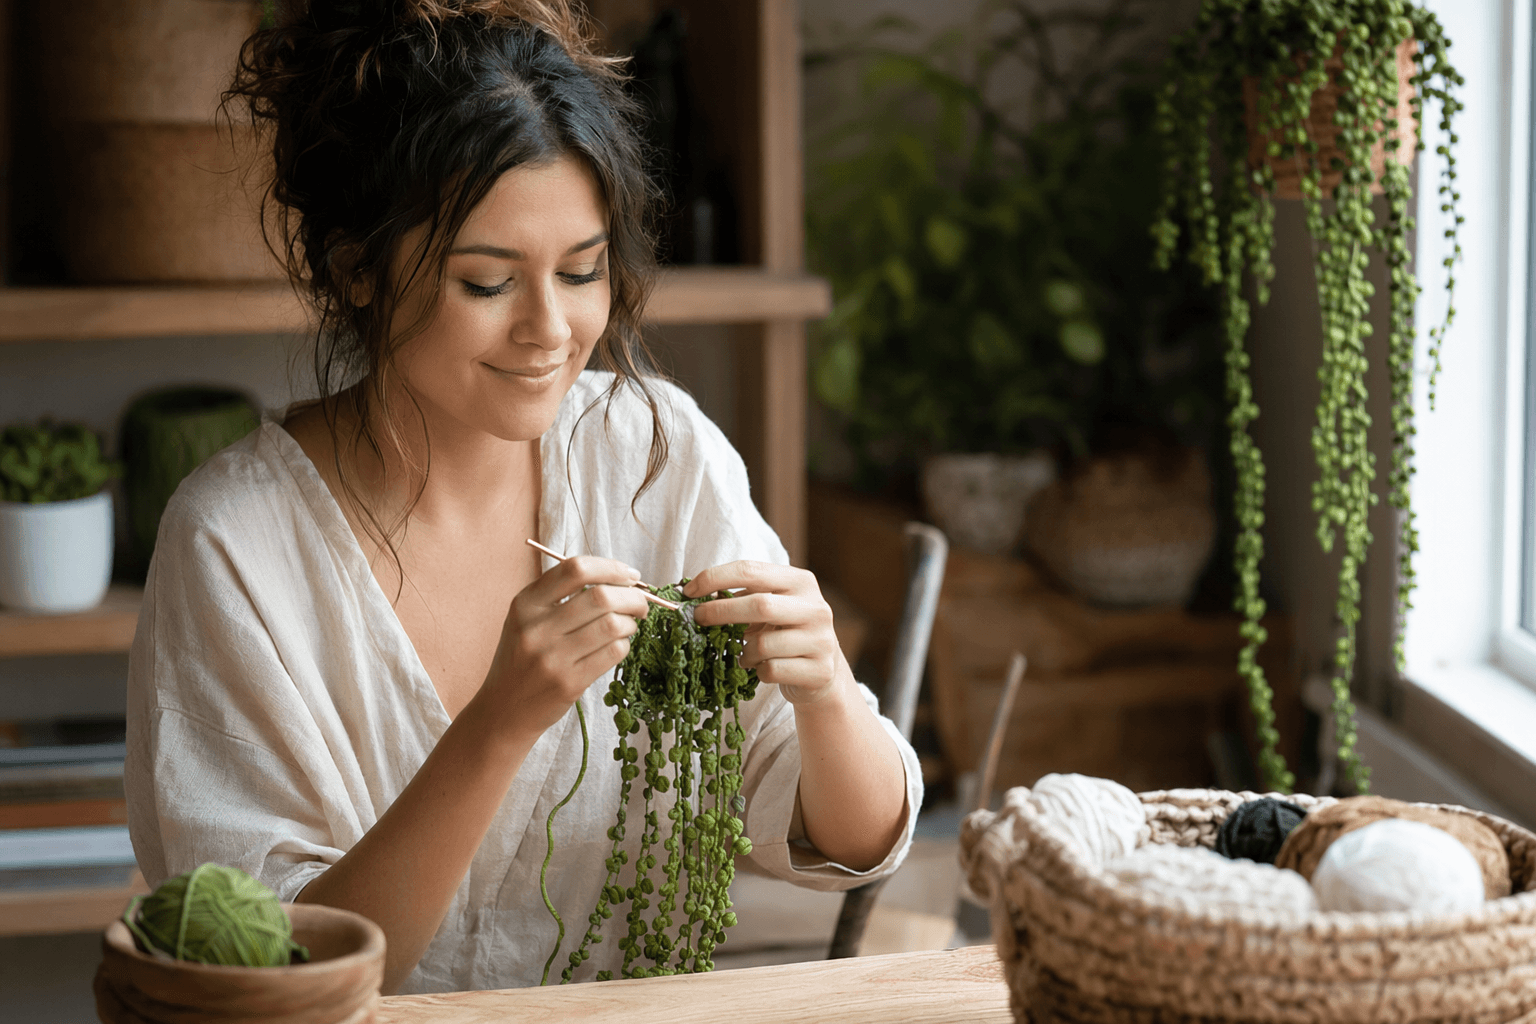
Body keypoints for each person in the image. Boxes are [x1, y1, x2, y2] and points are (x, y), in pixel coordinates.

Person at [124, 0, 919, 995]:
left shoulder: (654, 454)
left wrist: (826, 692)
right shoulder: (234, 544)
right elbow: (276, 967)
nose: (552, 329)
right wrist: (500, 721)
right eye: (488, 284)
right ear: (357, 271)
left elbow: (853, 836)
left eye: (583, 272)